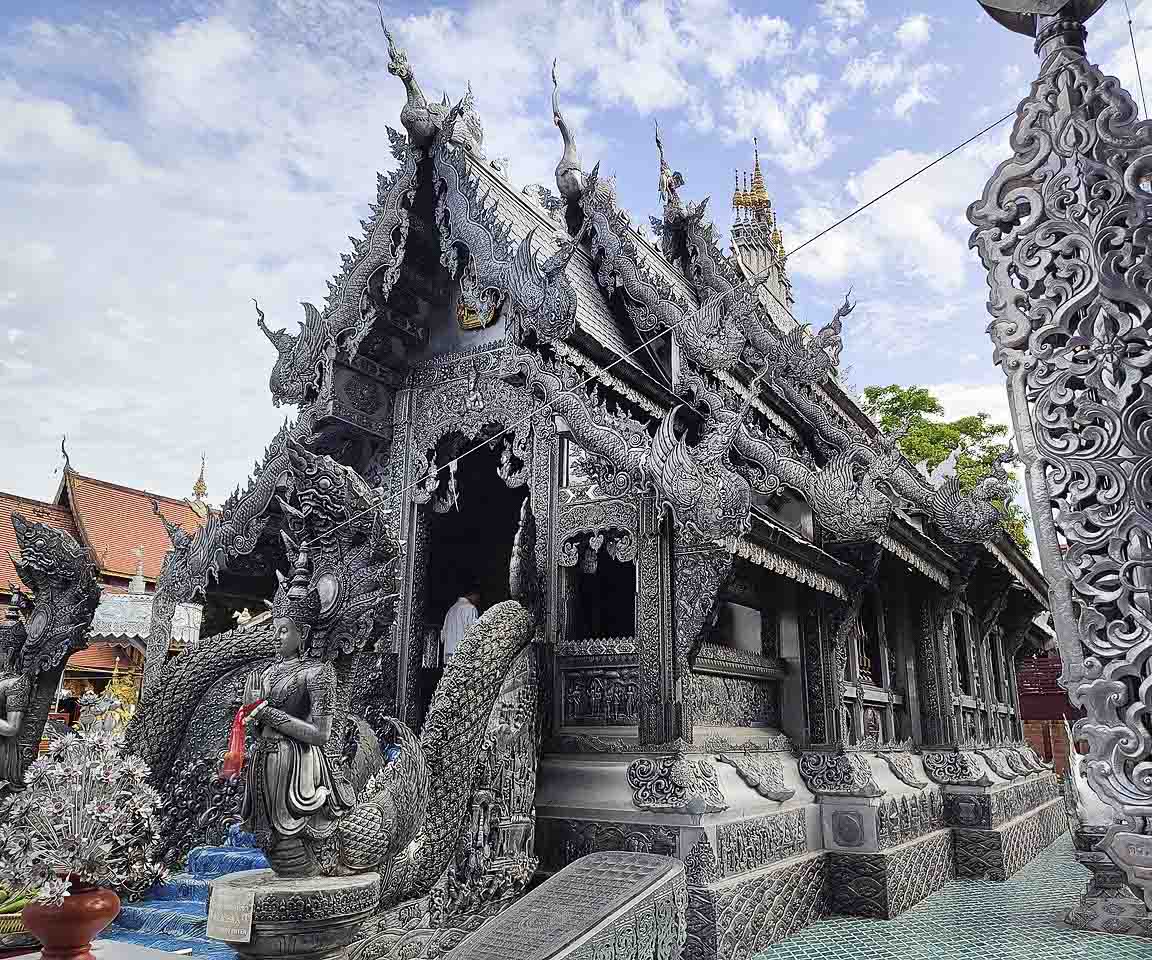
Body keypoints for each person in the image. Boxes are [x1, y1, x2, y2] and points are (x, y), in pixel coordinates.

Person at [440, 582, 481, 663]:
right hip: (462, 655)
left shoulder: (451, 610)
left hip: (448, 654)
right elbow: (474, 632)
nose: (479, 599)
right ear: (473, 594)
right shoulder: (470, 608)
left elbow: (442, 637)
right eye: (478, 596)